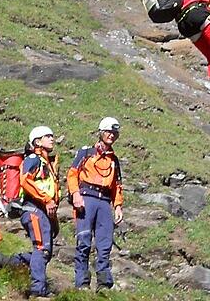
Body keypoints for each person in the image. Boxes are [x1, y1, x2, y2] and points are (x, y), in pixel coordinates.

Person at [0, 126, 61, 298]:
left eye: (52, 136)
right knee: (41, 249)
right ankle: (38, 291)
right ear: (37, 141)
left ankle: (4, 261)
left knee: (45, 253)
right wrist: (47, 200)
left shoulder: (45, 162)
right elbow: (25, 180)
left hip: (42, 211)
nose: (52, 139)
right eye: (47, 136)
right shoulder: (33, 159)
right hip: (35, 210)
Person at [67, 117, 124, 290]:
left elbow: (117, 185)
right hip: (87, 198)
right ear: (101, 132)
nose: (111, 136)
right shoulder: (85, 153)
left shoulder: (114, 160)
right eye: (108, 132)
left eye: (114, 133)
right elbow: (72, 174)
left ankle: (104, 284)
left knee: (105, 244)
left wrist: (118, 206)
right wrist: (75, 194)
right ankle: (82, 283)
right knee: (83, 241)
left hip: (105, 202)